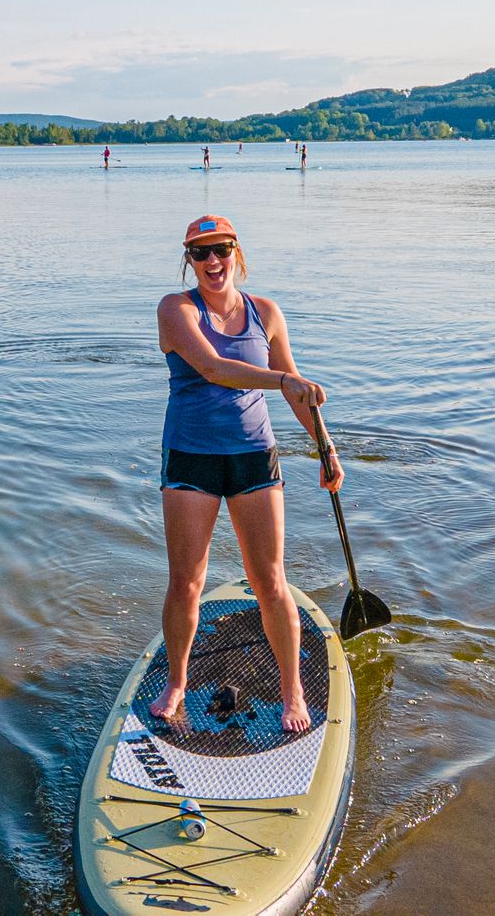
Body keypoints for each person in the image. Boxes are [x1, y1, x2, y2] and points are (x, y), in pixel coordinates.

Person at [153, 214, 342, 732]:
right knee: (187, 583)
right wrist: (282, 379)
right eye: (201, 253)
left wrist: (325, 447)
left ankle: (292, 690)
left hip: (254, 456)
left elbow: (297, 391)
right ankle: (177, 682)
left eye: (221, 250)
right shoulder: (176, 310)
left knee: (270, 581)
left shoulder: (266, 313)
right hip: (192, 458)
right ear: (188, 259)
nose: (213, 262)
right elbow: (213, 368)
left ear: (237, 252)